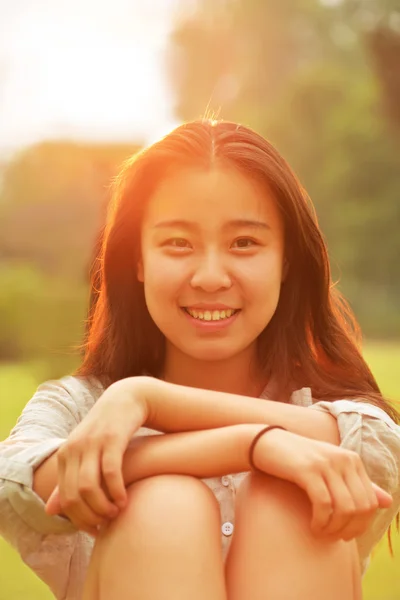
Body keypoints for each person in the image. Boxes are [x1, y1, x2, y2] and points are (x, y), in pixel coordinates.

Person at [0, 119, 399, 600]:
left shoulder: (340, 416)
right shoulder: (81, 408)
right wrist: (254, 446)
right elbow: (17, 485)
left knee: (288, 501)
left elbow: (374, 444)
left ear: (286, 260)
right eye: (178, 243)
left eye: (244, 243)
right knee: (163, 507)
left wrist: (146, 399)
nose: (211, 277)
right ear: (139, 261)